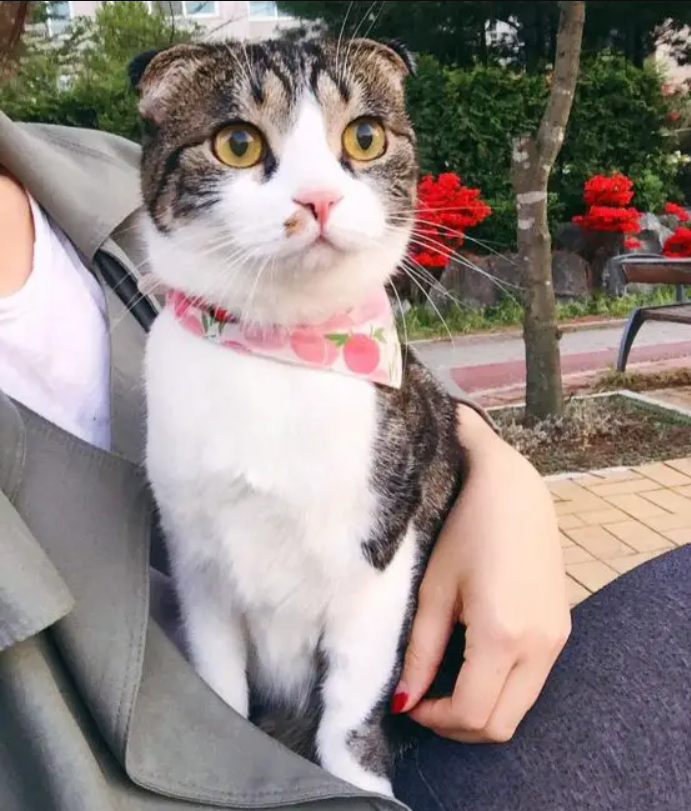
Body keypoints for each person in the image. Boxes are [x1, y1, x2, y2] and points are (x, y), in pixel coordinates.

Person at [0, 41, 688, 811]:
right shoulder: (181, 333)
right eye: (241, 144)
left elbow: (393, 499)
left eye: (359, 140)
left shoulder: (91, 172)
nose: (318, 192)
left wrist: (501, 473)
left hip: (405, 717)